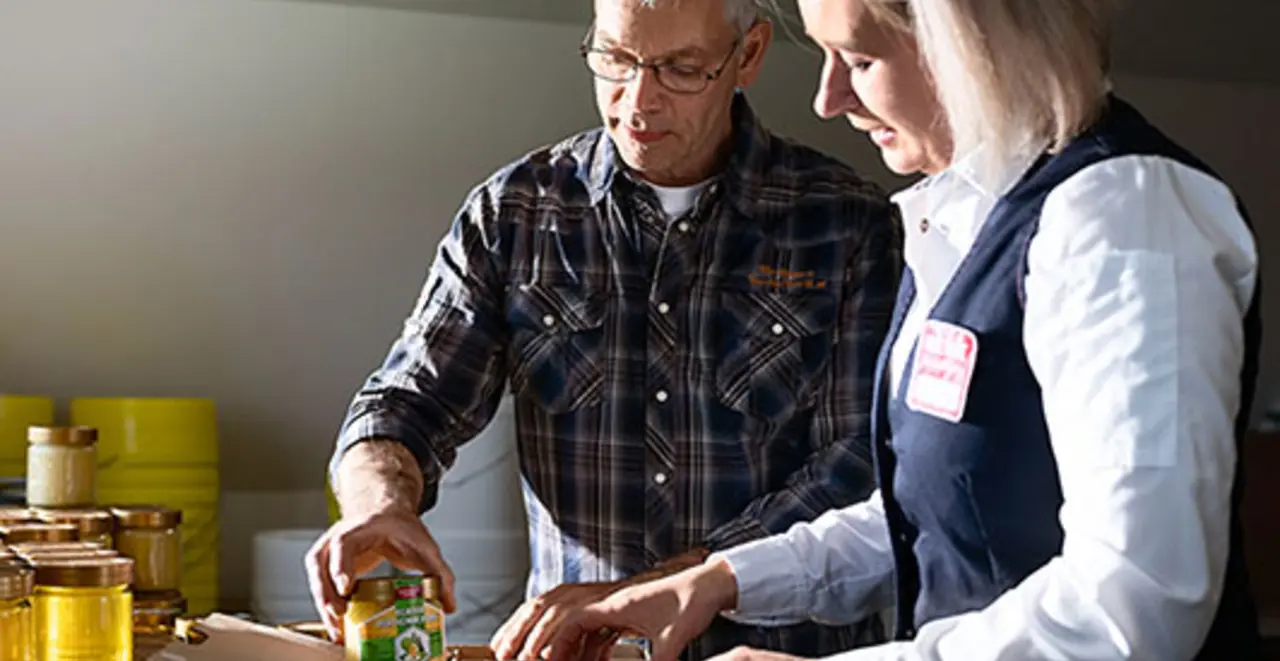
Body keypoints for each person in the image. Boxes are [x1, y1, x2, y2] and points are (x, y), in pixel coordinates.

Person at [529, 0, 1265, 659]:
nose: (828, 99)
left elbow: (1137, 604)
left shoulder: (1124, 214)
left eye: (858, 60)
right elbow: (927, 510)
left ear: (971, 42)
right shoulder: (960, 218)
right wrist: (718, 581)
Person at [304, 0, 903, 659]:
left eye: (681, 69)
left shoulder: (850, 225)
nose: (638, 101)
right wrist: (379, 504)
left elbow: (861, 465)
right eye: (616, 59)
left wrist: (669, 587)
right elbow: (404, 404)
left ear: (749, 55)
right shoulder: (515, 215)